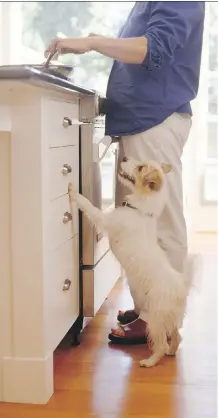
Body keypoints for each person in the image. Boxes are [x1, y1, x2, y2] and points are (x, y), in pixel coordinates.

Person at [45, 1, 205, 343]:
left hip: (156, 118)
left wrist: (91, 41)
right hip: (142, 120)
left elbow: (152, 49)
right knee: (136, 225)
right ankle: (148, 306)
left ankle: (161, 320)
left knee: (161, 224)